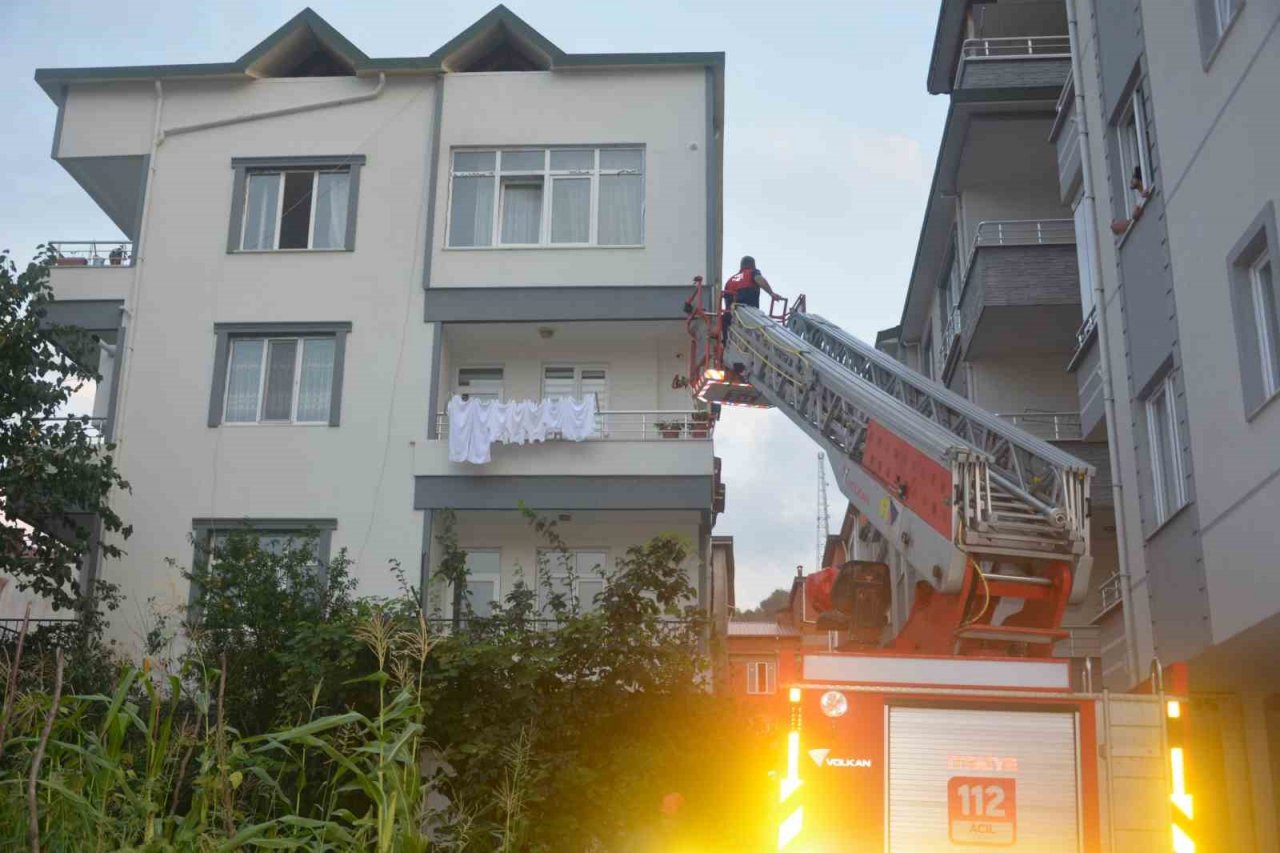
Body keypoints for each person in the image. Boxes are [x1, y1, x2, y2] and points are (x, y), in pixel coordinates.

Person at [721, 255, 778, 342]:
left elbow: (726, 298)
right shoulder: (752, 272)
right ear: (753, 265)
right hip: (748, 313)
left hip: (731, 315)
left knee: (727, 335)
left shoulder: (730, 280)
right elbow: (760, 280)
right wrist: (771, 293)